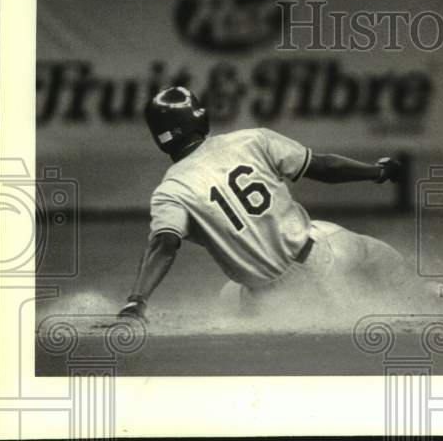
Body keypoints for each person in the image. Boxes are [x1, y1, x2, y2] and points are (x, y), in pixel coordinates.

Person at [117, 86, 409, 322]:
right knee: (372, 253)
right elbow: (323, 168)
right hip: (318, 262)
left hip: (265, 298)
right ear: (198, 117)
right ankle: (425, 291)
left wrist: (136, 301)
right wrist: (378, 171)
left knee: (228, 299)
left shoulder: (171, 189)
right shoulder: (252, 140)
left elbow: (164, 244)